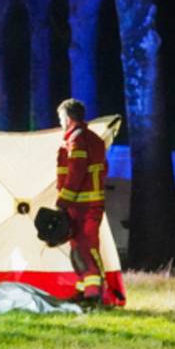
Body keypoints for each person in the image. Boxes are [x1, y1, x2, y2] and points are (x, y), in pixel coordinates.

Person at [55, 98, 110, 305]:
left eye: (61, 117)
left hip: (83, 206)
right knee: (78, 249)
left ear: (68, 118)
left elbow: (76, 173)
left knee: (87, 248)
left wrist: (63, 201)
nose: (60, 121)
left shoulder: (77, 140)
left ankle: (94, 294)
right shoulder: (89, 138)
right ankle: (84, 290)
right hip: (81, 205)